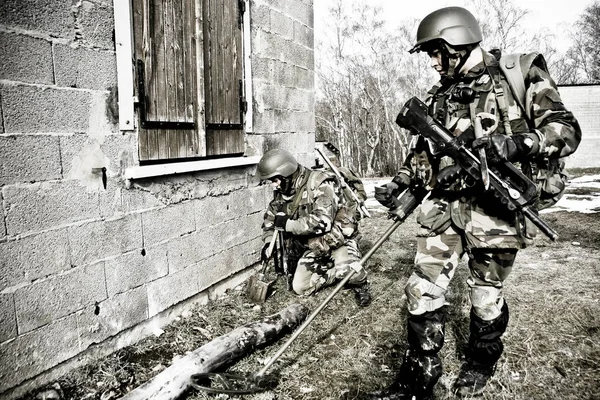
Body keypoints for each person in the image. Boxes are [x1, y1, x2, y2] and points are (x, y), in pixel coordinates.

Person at [372, 6, 581, 399]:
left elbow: (565, 130)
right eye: (431, 55)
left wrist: (519, 143)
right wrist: (400, 183)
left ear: (457, 42)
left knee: (486, 297)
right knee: (421, 290)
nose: (434, 63)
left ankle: (480, 363)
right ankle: (420, 374)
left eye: (437, 52)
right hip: (445, 212)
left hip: (495, 212)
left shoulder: (518, 74)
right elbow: (423, 154)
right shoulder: (440, 95)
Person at [258, 148, 372, 307]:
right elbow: (271, 219)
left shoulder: (319, 183)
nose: (274, 186)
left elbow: (322, 222)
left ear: (286, 174)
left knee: (349, 274)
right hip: (315, 246)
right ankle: (333, 272)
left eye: (275, 181)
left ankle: (359, 282)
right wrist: (268, 243)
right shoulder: (283, 191)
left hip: (336, 241)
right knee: (300, 287)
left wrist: (288, 225)